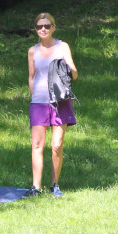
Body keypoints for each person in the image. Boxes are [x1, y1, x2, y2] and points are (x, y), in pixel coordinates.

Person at [27, 12, 78, 197]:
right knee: (37, 145)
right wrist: (36, 96)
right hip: (39, 103)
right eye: (39, 26)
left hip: (60, 101)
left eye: (47, 26)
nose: (43, 29)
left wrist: (70, 69)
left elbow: (74, 72)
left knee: (56, 145)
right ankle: (35, 187)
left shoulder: (62, 46)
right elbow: (31, 77)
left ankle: (55, 184)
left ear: (53, 27)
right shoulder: (32, 50)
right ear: (36, 29)